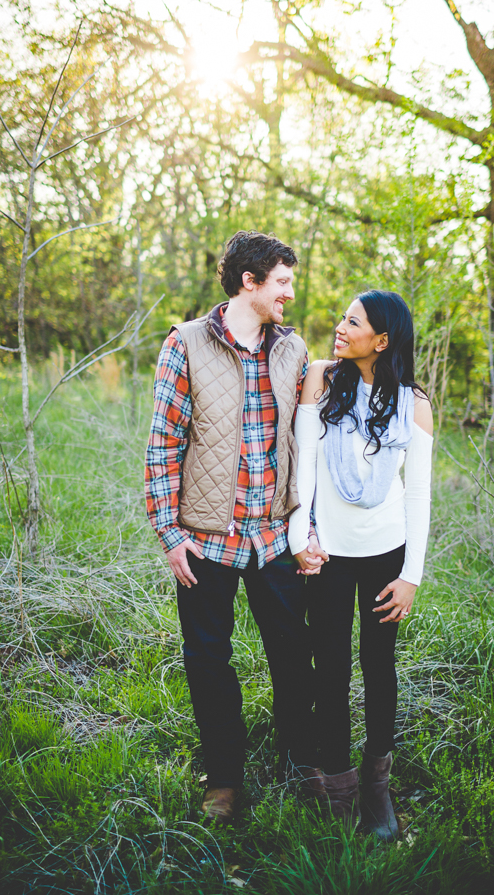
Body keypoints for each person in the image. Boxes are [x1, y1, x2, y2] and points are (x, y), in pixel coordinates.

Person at [145, 230, 319, 825]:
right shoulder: (185, 344)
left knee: (294, 658)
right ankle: (224, 779)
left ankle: (299, 765)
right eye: (282, 281)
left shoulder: (293, 351)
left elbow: (306, 448)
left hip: (274, 538)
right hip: (206, 542)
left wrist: (306, 530)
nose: (290, 293)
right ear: (250, 282)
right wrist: (171, 534)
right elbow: (164, 443)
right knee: (208, 661)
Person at [288, 290, 433, 840]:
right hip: (327, 554)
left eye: (353, 322)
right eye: (343, 317)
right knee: (331, 665)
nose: (340, 327)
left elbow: (417, 495)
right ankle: (338, 784)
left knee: (378, 666)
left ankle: (378, 788)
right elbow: (303, 468)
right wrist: (303, 538)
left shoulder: (413, 403)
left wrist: (410, 575)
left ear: (383, 339)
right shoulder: (321, 379)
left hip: (386, 555)